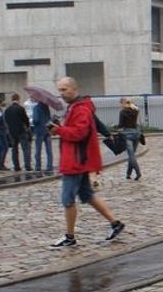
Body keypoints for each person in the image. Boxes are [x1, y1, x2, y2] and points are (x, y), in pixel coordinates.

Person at [48, 76, 125, 247]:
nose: (61, 93)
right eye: (59, 90)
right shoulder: (75, 107)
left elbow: (79, 133)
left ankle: (70, 236)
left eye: (64, 89)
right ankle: (115, 223)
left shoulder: (80, 109)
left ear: (75, 89)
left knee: (68, 199)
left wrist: (59, 130)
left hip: (76, 160)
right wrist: (58, 128)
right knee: (87, 195)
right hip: (78, 159)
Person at [4, 93, 32, 171]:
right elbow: (25, 119)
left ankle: (16, 166)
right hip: (21, 131)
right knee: (25, 149)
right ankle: (27, 166)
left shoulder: (7, 110)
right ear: (18, 99)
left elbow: (6, 120)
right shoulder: (20, 108)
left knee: (14, 149)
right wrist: (27, 126)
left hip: (12, 132)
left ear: (12, 100)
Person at [117, 97, 142, 181]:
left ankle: (138, 172)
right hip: (137, 134)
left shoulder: (122, 112)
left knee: (131, 155)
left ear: (123, 103)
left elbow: (121, 125)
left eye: (121, 103)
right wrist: (131, 103)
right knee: (132, 155)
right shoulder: (136, 110)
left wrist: (115, 127)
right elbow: (135, 107)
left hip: (128, 135)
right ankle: (128, 174)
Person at [31, 100, 55, 173]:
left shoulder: (36, 108)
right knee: (49, 150)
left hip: (39, 131)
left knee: (38, 150)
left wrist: (33, 122)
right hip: (47, 130)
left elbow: (36, 120)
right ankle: (49, 166)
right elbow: (49, 119)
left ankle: (38, 167)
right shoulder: (46, 107)